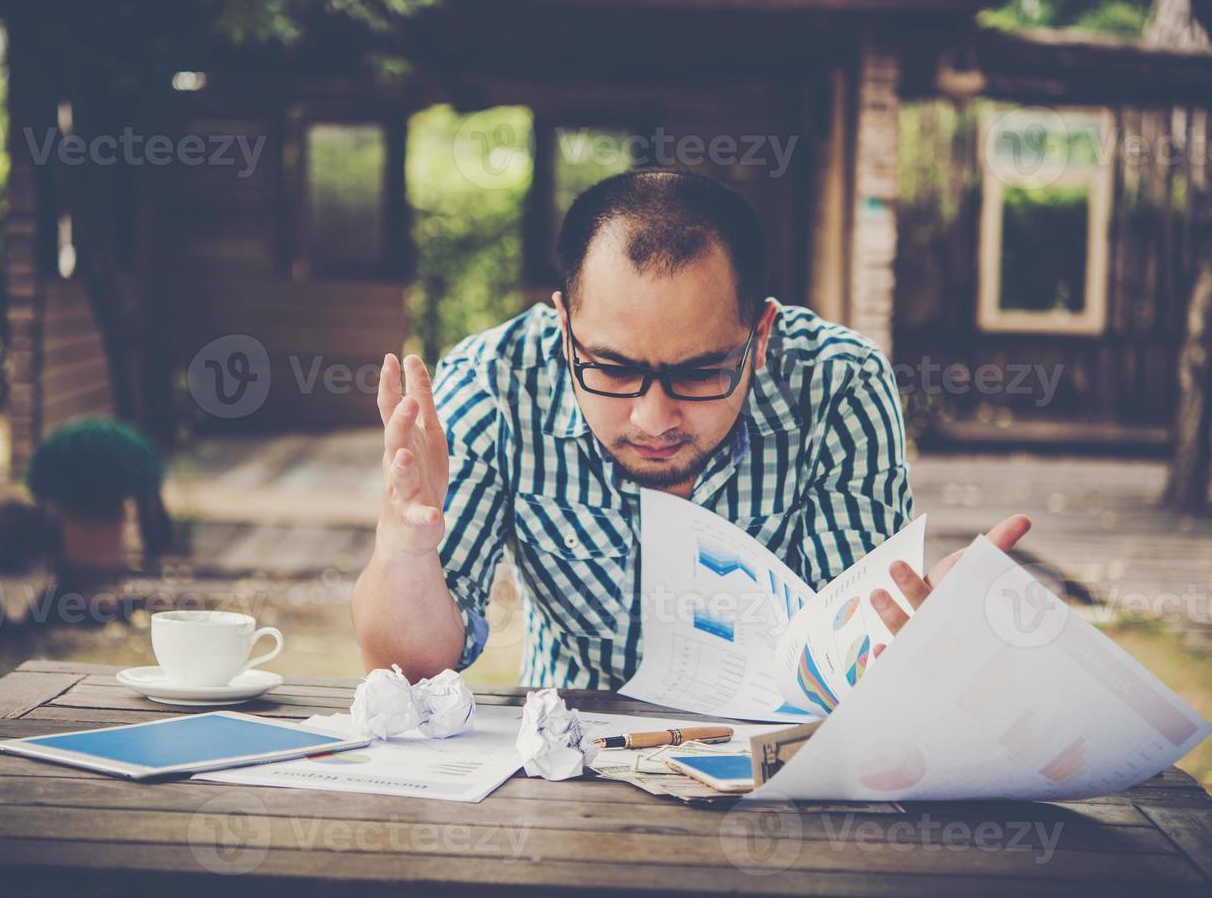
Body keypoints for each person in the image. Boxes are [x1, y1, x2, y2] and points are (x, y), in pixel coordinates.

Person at [352, 168, 1030, 685]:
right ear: (564, 329)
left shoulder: (837, 384)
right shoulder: (492, 384)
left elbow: (852, 651)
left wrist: (910, 630)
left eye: (699, 373)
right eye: (613, 370)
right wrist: (404, 548)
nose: (652, 418)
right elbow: (408, 670)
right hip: (563, 769)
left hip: (776, 760)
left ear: (759, 336)